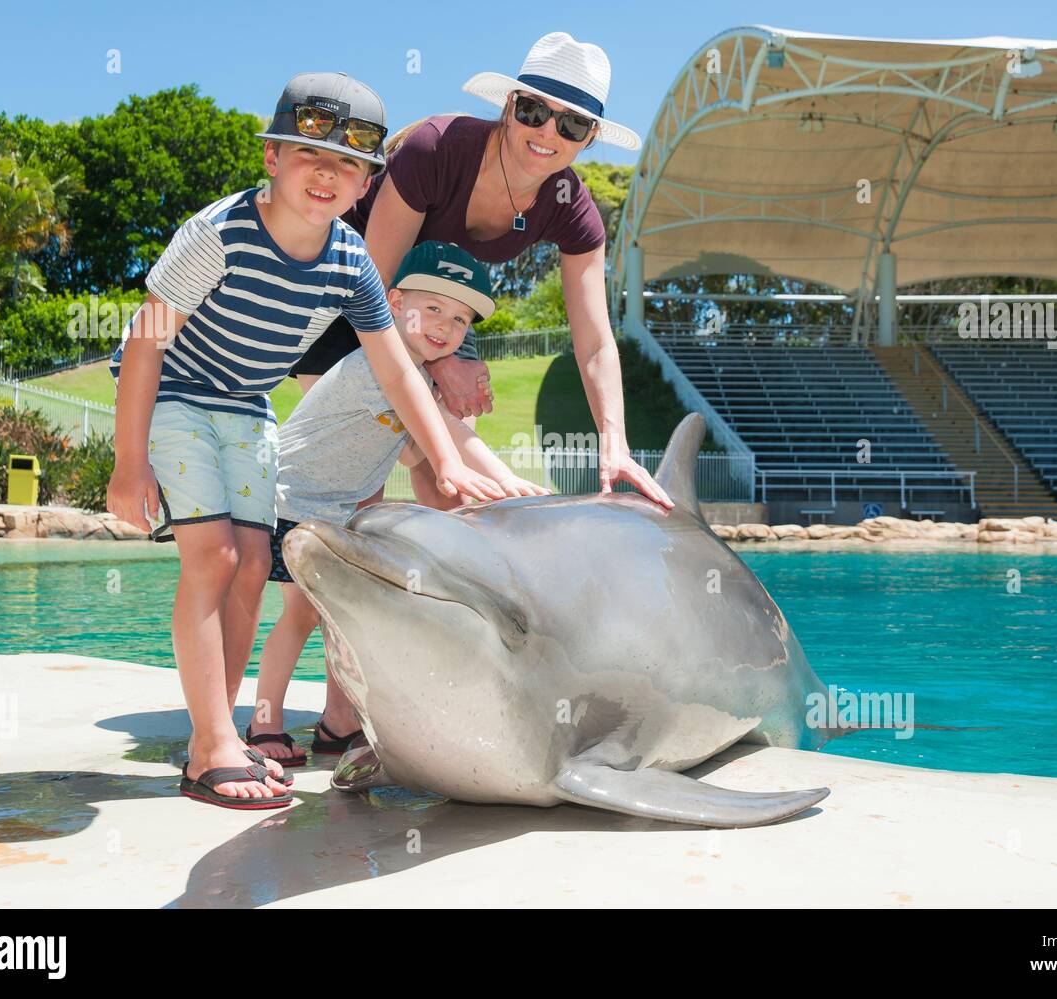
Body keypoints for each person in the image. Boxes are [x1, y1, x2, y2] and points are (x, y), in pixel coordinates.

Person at [105, 72, 506, 810]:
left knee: (256, 562)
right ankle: (211, 748)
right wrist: (130, 463)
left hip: (249, 409)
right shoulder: (218, 234)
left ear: (366, 184)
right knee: (216, 555)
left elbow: (396, 369)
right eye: (308, 154)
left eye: (349, 164)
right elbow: (144, 340)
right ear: (270, 158)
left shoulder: (350, 262)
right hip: (178, 396)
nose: (328, 174)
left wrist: (448, 463)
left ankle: (217, 734)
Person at [289, 31, 673, 514]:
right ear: (510, 105)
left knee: (453, 487)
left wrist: (614, 443)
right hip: (353, 292)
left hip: (440, 301)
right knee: (359, 487)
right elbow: (374, 289)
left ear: (590, 137)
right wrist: (441, 361)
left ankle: (443, 592)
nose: (548, 133)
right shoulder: (437, 150)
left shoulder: (570, 207)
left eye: (573, 125)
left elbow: (595, 342)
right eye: (535, 111)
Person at [248, 242, 550, 766]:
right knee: (299, 617)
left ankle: (336, 726)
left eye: (459, 318)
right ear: (392, 302)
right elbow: (450, 431)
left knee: (339, 620)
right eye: (432, 307)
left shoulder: (410, 379)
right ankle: (264, 725)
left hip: (335, 512)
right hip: (294, 502)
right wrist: (505, 479)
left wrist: (502, 479)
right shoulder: (378, 368)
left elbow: (417, 445)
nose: (445, 325)